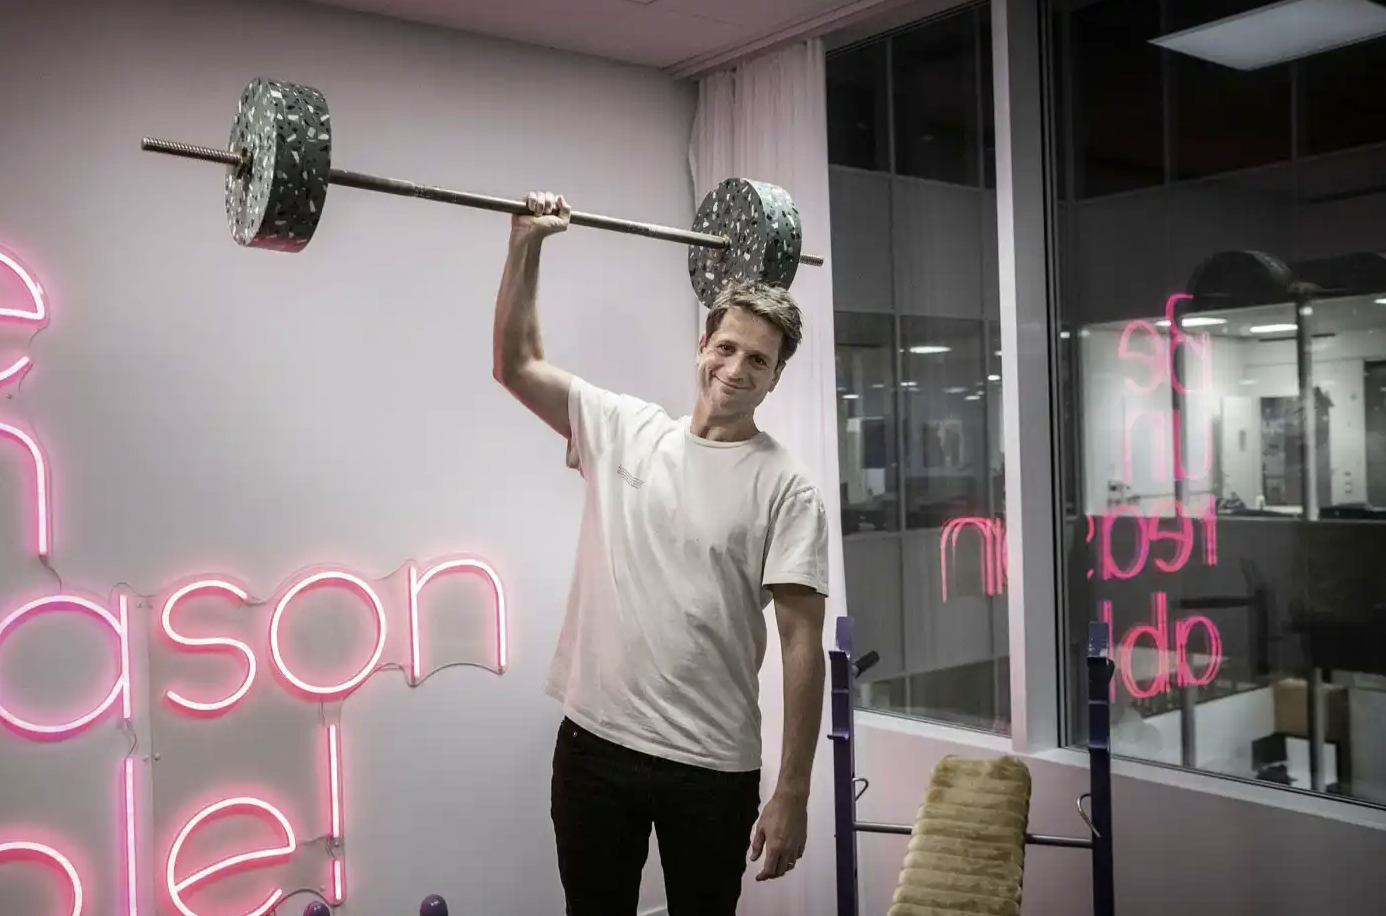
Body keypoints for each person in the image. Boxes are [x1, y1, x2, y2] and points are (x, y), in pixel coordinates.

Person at [492, 191, 830, 916]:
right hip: (595, 749)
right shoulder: (623, 429)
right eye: (727, 347)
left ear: (776, 377)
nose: (737, 368)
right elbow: (516, 364)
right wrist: (527, 243)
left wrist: (793, 790)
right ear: (702, 347)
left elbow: (803, 644)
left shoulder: (788, 487)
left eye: (759, 360)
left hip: (713, 767)